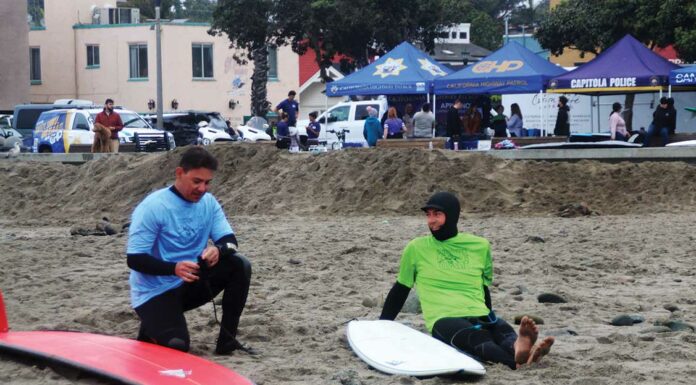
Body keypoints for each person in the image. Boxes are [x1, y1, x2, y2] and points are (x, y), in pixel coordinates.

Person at [380, 192, 554, 369]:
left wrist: (487, 312)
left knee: (501, 330)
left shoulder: (479, 246)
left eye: (437, 214)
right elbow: (401, 289)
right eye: (428, 215)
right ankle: (517, 360)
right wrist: (382, 325)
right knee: (479, 339)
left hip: (479, 312)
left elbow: (482, 288)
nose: (431, 221)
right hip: (445, 318)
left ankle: (518, 347)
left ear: (452, 216)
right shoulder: (416, 248)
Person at [127, 146, 254, 355]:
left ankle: (227, 341)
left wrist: (219, 250)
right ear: (179, 173)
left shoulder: (208, 203)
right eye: (197, 181)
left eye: (207, 182)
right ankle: (151, 330)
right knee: (177, 347)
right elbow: (134, 259)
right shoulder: (153, 206)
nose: (202, 188)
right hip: (155, 292)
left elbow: (231, 241)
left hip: (190, 283)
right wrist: (173, 268)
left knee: (239, 265)